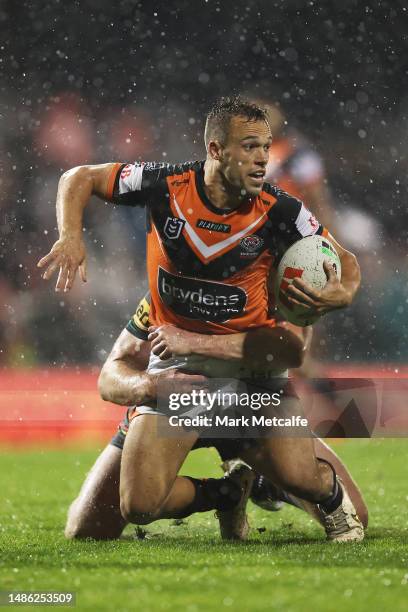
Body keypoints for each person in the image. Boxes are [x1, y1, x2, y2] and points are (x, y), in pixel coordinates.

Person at [38, 96, 363, 542]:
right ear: (215, 150)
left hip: (252, 381)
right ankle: (226, 494)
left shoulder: (282, 212)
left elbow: (343, 264)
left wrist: (341, 292)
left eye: (266, 147)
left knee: (343, 504)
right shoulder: (165, 186)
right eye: (249, 147)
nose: (262, 159)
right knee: (121, 512)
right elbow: (79, 177)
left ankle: (277, 479)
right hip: (182, 381)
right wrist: (70, 236)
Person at [65, 292, 368, 541]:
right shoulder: (171, 289)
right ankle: (226, 493)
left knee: (358, 515)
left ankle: (268, 481)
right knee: (88, 529)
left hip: (249, 407)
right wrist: (152, 384)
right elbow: (109, 377)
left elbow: (293, 351)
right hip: (180, 403)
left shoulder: (268, 283)